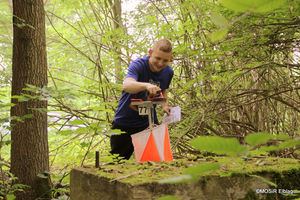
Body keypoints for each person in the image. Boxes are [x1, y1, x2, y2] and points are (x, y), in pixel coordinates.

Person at [110, 39, 174, 160]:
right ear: (150, 53)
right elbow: (127, 85)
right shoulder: (138, 65)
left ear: (170, 58)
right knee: (116, 161)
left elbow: (164, 90)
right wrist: (146, 86)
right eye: (157, 58)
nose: (160, 63)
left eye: (165, 60)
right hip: (125, 121)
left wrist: (164, 105)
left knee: (154, 160)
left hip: (148, 122)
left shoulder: (169, 72)